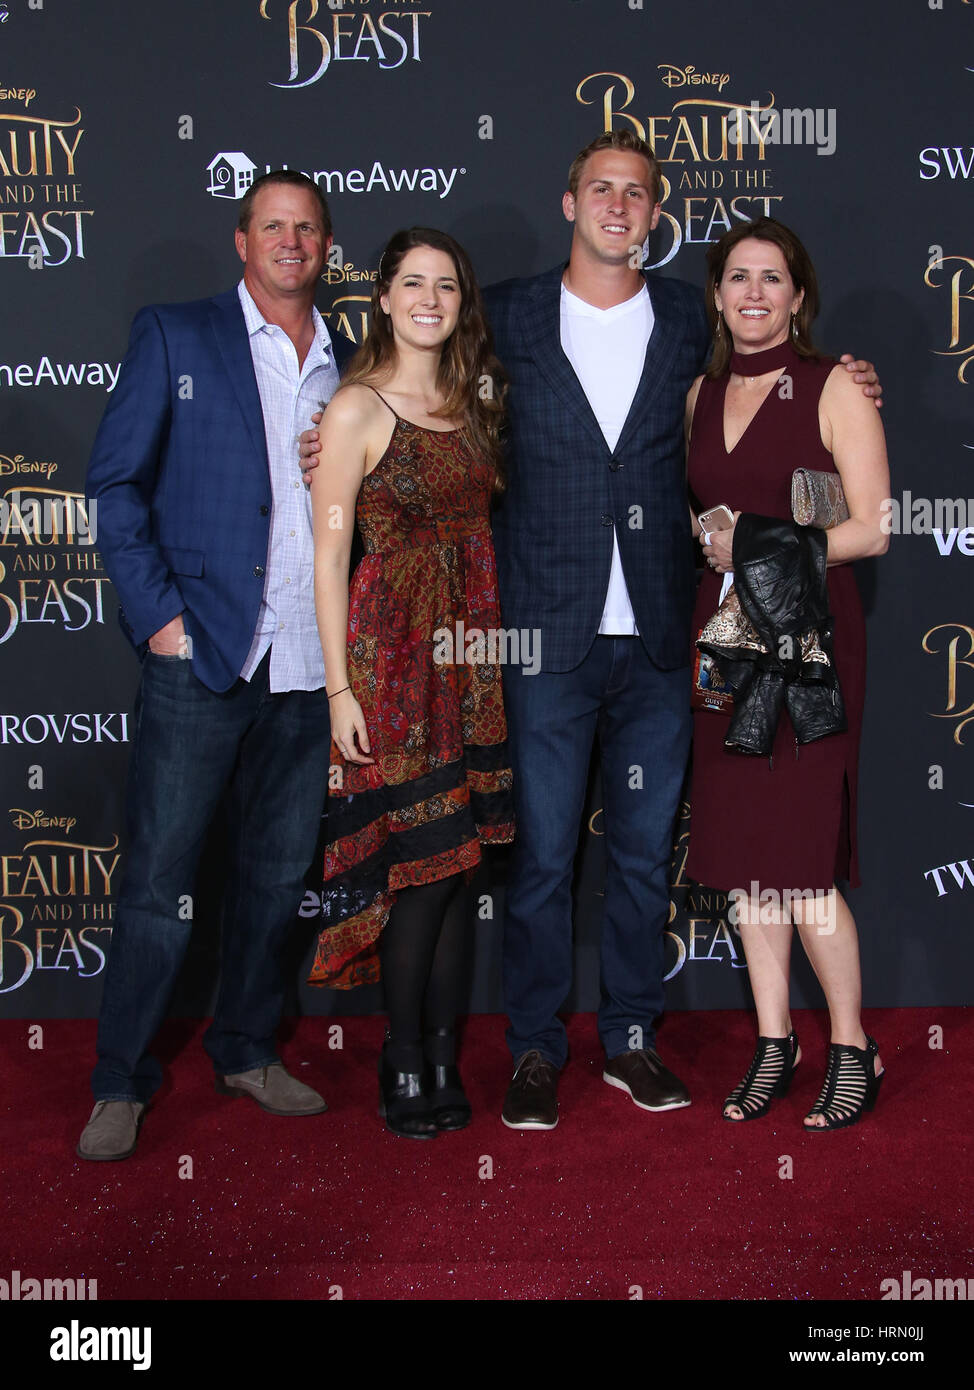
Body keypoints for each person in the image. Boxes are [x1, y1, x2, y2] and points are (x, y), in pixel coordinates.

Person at [299, 132, 882, 1131]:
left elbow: (774, 395)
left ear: (655, 218)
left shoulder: (688, 331)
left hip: (665, 638)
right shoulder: (509, 316)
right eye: (599, 189)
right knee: (539, 857)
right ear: (568, 203)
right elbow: (426, 399)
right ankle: (533, 1049)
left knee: (643, 854)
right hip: (538, 638)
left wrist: (842, 380)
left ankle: (628, 1038)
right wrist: (335, 429)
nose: (618, 205)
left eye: (637, 194)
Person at [78, 171, 356, 1161]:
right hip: (201, 656)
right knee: (158, 882)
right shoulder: (175, 335)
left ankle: (244, 1046)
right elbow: (114, 484)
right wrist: (159, 618)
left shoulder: (349, 362)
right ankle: (120, 1078)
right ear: (241, 240)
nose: (291, 240)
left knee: (278, 875)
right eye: (273, 225)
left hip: (304, 661)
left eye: (308, 227)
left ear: (327, 246)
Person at [308, 227, 514, 1139]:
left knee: (459, 866)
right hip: (392, 662)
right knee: (420, 876)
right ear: (383, 297)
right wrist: (339, 692)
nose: (431, 298)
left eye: (448, 285)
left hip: (470, 660)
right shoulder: (355, 408)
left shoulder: (475, 399)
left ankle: (441, 1054)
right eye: (414, 283)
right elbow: (328, 559)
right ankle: (401, 1059)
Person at [686, 216, 889, 1130]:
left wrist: (753, 542)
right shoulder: (699, 393)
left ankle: (852, 1045)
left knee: (803, 871)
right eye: (739, 277)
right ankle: (776, 1042)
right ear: (719, 295)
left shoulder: (833, 387)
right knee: (743, 871)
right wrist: (713, 543)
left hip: (808, 648)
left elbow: (874, 526)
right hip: (726, 642)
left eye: (773, 278)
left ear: (798, 296)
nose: (755, 293)